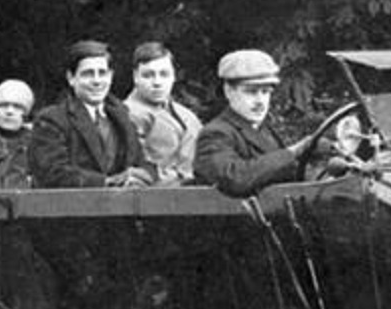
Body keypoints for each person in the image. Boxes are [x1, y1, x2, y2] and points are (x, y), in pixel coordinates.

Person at [29, 40, 154, 189]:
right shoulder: (52, 120)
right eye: (88, 74)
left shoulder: (122, 117)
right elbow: (52, 173)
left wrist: (141, 175)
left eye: (102, 73)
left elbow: (141, 162)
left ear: (111, 76)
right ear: (71, 78)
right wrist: (108, 182)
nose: (97, 81)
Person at [193, 49, 312, 197]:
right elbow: (235, 178)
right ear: (228, 91)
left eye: (265, 92)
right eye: (251, 92)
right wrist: (294, 152)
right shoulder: (216, 134)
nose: (260, 101)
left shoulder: (266, 130)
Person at [124, 42, 202, 186]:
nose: (157, 82)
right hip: (156, 196)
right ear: (136, 77)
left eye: (164, 74)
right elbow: (138, 168)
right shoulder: (128, 114)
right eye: (148, 75)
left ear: (174, 76)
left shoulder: (187, 115)